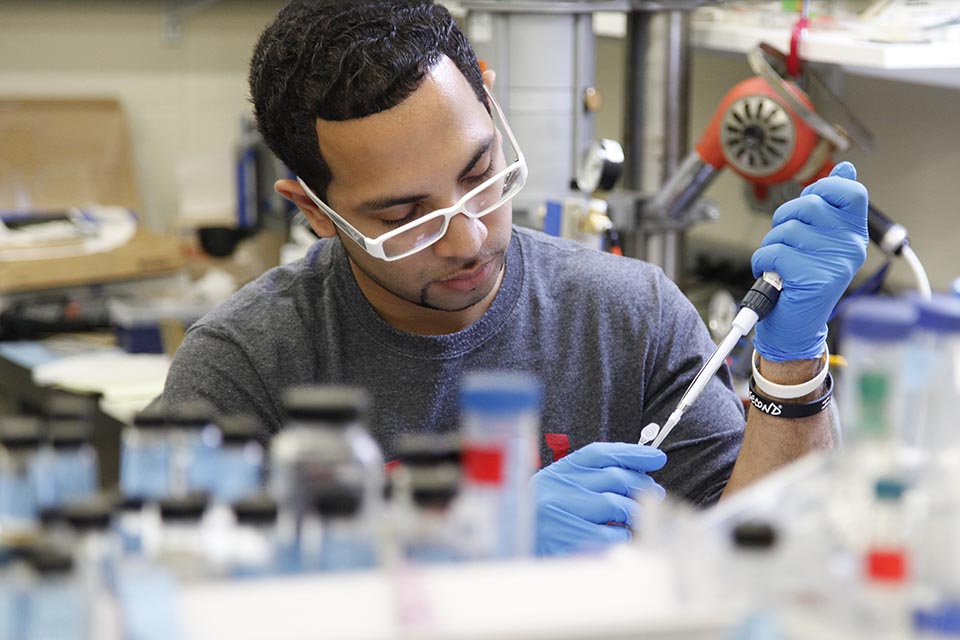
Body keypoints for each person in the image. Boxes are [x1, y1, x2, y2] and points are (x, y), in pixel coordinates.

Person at [160, 0, 868, 556]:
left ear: (492, 106)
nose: (468, 238)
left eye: (478, 175)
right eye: (405, 218)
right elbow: (189, 601)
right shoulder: (248, 366)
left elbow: (761, 557)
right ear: (315, 213)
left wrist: (790, 366)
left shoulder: (629, 316)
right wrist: (458, 547)